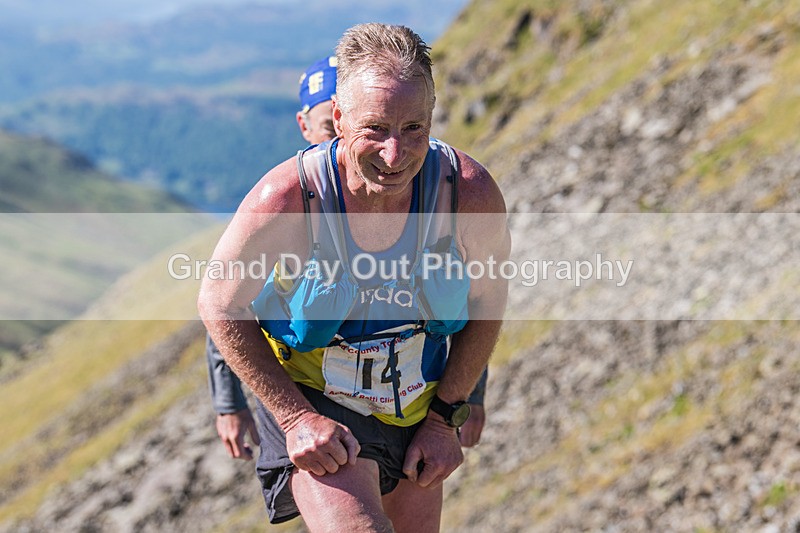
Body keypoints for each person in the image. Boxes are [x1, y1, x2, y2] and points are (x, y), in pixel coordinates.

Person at [199, 23, 509, 533]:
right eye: (375, 129)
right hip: (316, 401)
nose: (394, 154)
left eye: (414, 128)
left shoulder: (466, 194)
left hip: (417, 402)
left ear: (433, 115)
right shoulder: (288, 199)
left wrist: (447, 415)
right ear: (338, 119)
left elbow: (488, 301)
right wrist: (294, 418)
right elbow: (219, 303)